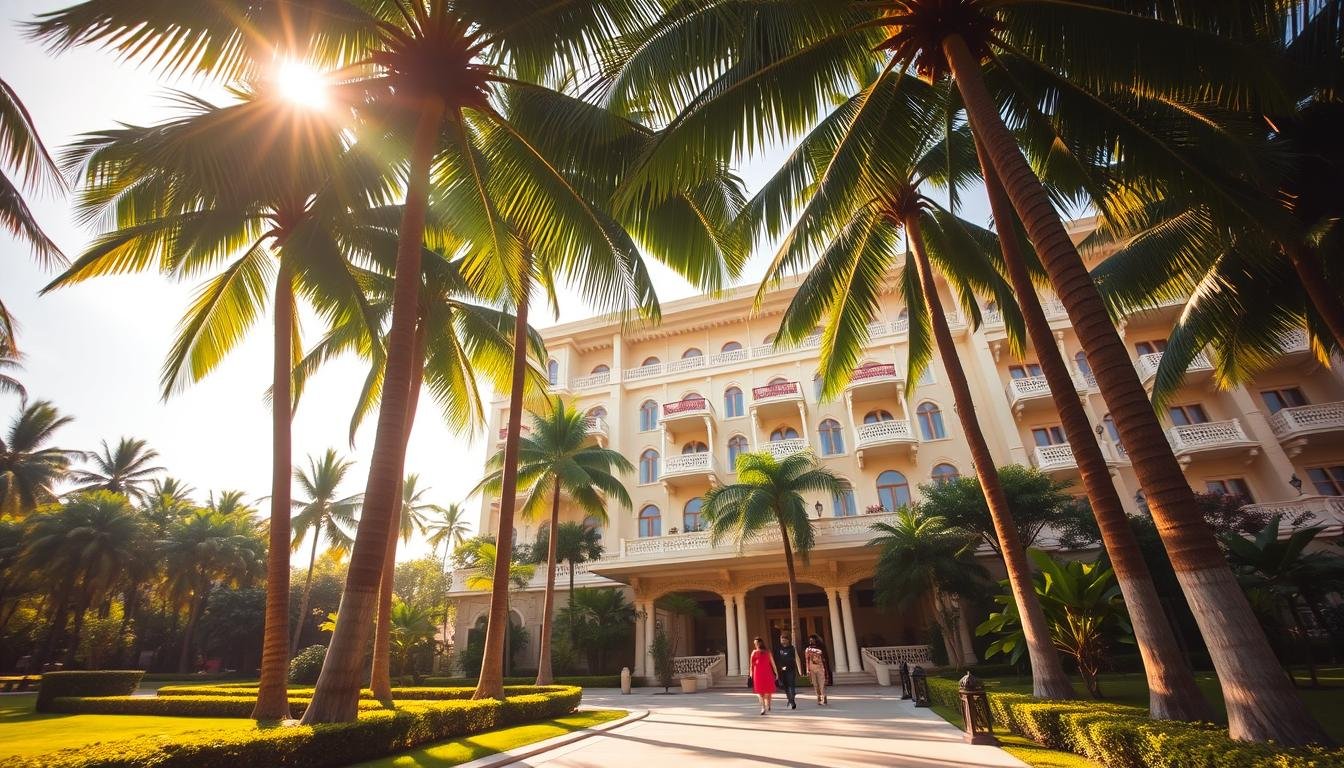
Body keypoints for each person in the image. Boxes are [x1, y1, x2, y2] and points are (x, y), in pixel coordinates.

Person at [749, 636, 779, 715]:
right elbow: (751, 664)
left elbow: (772, 663)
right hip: (757, 674)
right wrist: (751, 674)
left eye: (757, 643)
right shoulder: (754, 652)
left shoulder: (767, 652)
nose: (756, 645)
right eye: (755, 643)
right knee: (759, 691)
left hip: (767, 673)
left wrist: (776, 672)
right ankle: (763, 708)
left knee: (767, 691)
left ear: (760, 643)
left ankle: (768, 704)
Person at [775, 631, 800, 709]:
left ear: (788, 640)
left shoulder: (791, 648)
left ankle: (792, 700)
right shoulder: (778, 648)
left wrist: (798, 669)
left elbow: (794, 658)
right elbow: (777, 659)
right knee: (785, 686)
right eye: (781, 639)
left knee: (791, 685)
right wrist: (779, 668)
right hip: (782, 670)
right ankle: (790, 699)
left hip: (790, 669)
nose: (782, 640)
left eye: (784, 639)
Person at [804, 634, 831, 706]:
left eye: (813, 639)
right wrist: (807, 669)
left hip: (820, 668)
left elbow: (824, 657)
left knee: (822, 683)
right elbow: (807, 660)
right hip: (812, 668)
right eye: (810, 640)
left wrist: (826, 669)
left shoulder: (821, 648)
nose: (811, 641)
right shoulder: (807, 649)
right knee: (815, 684)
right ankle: (818, 697)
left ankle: (823, 696)